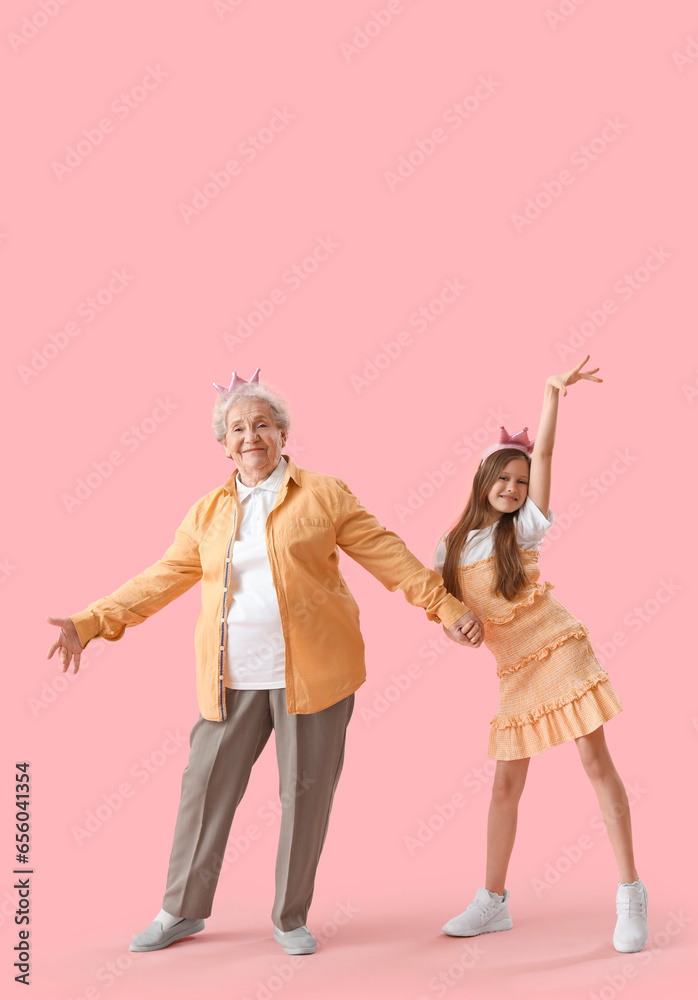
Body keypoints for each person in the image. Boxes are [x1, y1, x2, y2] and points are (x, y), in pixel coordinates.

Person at [45, 368, 484, 957]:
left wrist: (447, 608)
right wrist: (90, 621)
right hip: (230, 679)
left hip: (316, 676)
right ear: (223, 444)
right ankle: (180, 910)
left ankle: (289, 917)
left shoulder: (324, 494)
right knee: (202, 792)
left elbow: (389, 556)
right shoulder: (207, 513)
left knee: (305, 793)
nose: (250, 436)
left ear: (282, 432)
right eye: (237, 428)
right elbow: (160, 580)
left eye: (261, 424)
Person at [433, 356, 648, 953]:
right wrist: (459, 631)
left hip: (559, 649)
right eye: (502, 478)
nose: (513, 488)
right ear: (481, 481)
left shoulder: (523, 529)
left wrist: (551, 394)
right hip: (515, 672)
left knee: (596, 764)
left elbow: (547, 456)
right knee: (505, 787)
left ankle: (631, 893)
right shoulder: (448, 548)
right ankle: (492, 902)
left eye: (520, 482)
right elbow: (446, 615)